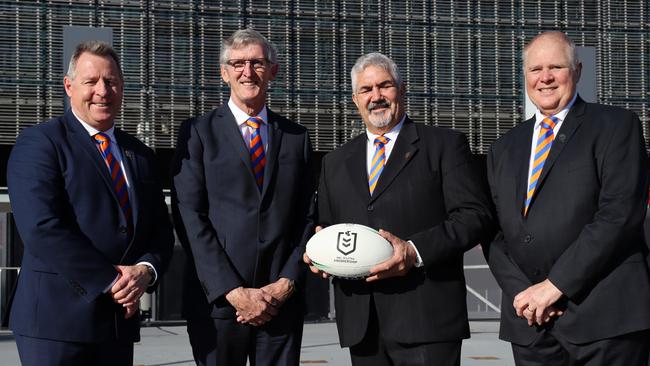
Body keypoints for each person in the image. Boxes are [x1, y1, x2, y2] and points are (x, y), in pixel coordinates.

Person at [304, 52, 495, 366]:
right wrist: (320, 254)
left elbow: (475, 215)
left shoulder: (445, 146)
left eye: (385, 86)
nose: (376, 96)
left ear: (402, 90)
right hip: (362, 323)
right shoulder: (335, 163)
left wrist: (414, 251)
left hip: (427, 319)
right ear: (355, 99)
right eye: (366, 90)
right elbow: (327, 225)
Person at [485, 31, 650, 365]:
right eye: (535, 69)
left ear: (577, 70)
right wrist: (524, 295)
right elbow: (493, 229)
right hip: (532, 325)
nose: (545, 77)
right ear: (525, 76)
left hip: (603, 320)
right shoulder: (503, 147)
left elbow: (619, 215)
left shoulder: (616, 126)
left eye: (555, 67)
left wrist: (555, 286)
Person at [6, 40, 174, 366]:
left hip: (116, 326)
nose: (102, 90)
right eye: (91, 81)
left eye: (111, 82)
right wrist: (114, 282)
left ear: (122, 87)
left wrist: (145, 270)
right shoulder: (40, 143)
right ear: (69, 86)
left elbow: (160, 230)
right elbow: (42, 229)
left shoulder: (140, 155)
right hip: (56, 326)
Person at [171, 28, 313, 366]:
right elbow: (190, 216)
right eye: (237, 63)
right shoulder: (197, 134)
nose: (247, 72)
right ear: (224, 73)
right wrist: (234, 292)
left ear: (273, 71)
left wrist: (286, 284)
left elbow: (307, 216)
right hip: (219, 305)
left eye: (257, 63)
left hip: (281, 302)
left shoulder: (297, 138)